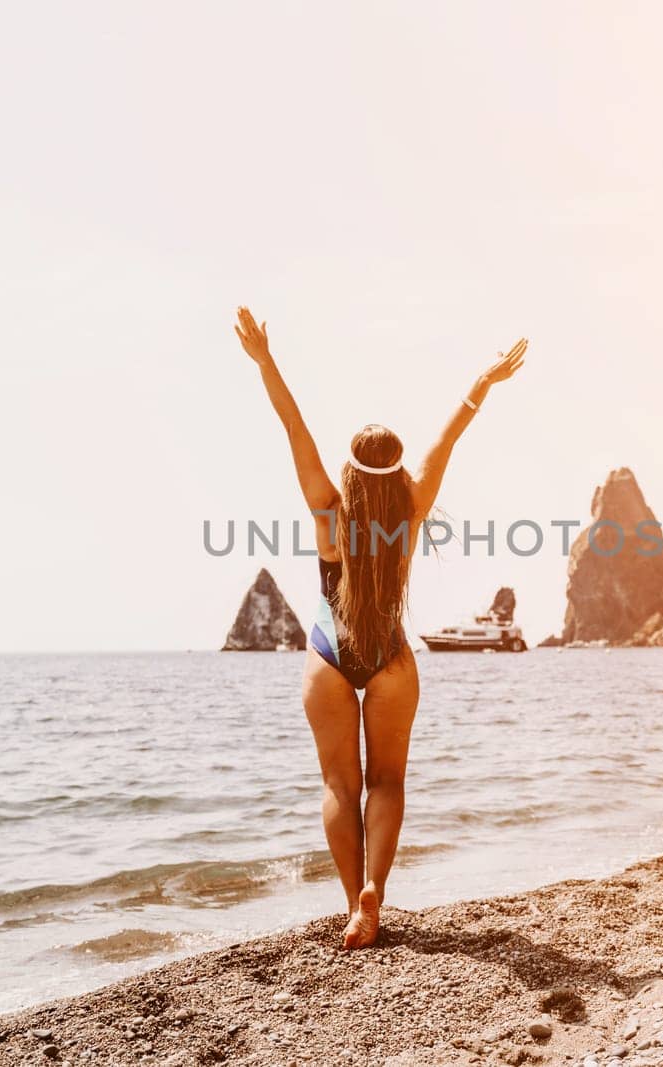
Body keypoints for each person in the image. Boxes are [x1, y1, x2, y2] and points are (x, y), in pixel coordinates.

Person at [233, 306, 528, 948]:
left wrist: (265, 361)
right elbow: (450, 438)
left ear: (350, 468)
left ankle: (352, 904)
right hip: (391, 656)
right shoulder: (413, 504)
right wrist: (482, 381)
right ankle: (378, 892)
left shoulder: (327, 510)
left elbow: (293, 425)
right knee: (387, 780)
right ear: (394, 470)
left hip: (329, 654)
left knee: (340, 783)